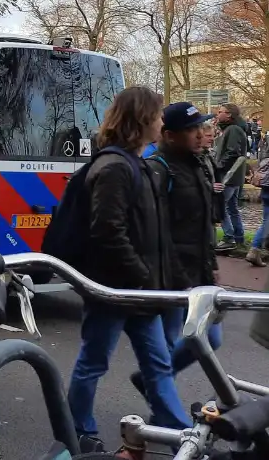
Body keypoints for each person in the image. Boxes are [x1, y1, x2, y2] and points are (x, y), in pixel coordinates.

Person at [61, 86, 189, 452]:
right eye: (158, 114)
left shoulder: (137, 165)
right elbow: (107, 231)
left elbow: (154, 235)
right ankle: (78, 430)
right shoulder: (115, 168)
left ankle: (181, 435)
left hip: (138, 292)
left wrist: (167, 280)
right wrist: (142, 276)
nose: (162, 121)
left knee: (159, 366)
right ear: (142, 119)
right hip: (114, 292)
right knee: (93, 363)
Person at [133, 102, 225, 394]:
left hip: (198, 272)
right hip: (173, 278)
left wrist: (211, 266)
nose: (200, 134)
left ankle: (151, 383)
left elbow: (203, 225)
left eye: (200, 127)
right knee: (173, 341)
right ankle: (163, 412)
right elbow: (158, 231)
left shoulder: (198, 164)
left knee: (212, 337)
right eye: (191, 130)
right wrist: (178, 279)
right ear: (170, 135)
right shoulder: (158, 170)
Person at [213, 103, 249, 258]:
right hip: (235, 176)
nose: (217, 114)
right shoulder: (234, 129)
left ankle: (228, 237)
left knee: (221, 206)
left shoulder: (232, 130)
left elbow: (232, 152)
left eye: (220, 112)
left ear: (229, 115)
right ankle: (239, 237)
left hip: (228, 176)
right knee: (232, 208)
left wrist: (218, 167)